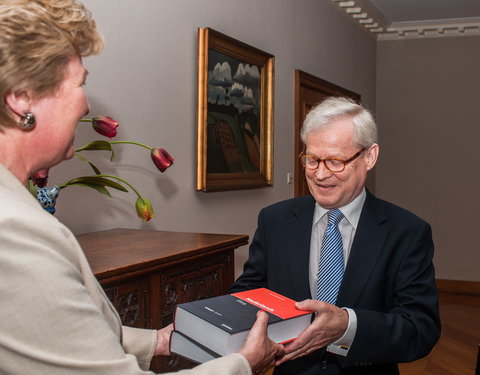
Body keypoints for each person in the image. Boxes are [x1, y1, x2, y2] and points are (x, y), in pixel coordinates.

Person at [0, 0, 284, 374]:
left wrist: (159, 341)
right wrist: (245, 363)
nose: (86, 105)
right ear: (22, 99)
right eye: (80, 83)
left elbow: (55, 337)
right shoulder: (14, 231)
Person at [230, 96, 440, 375]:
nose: (320, 174)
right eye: (312, 160)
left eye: (335, 161)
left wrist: (347, 326)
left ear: (369, 156)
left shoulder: (407, 232)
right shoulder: (275, 220)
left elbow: (420, 330)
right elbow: (249, 294)